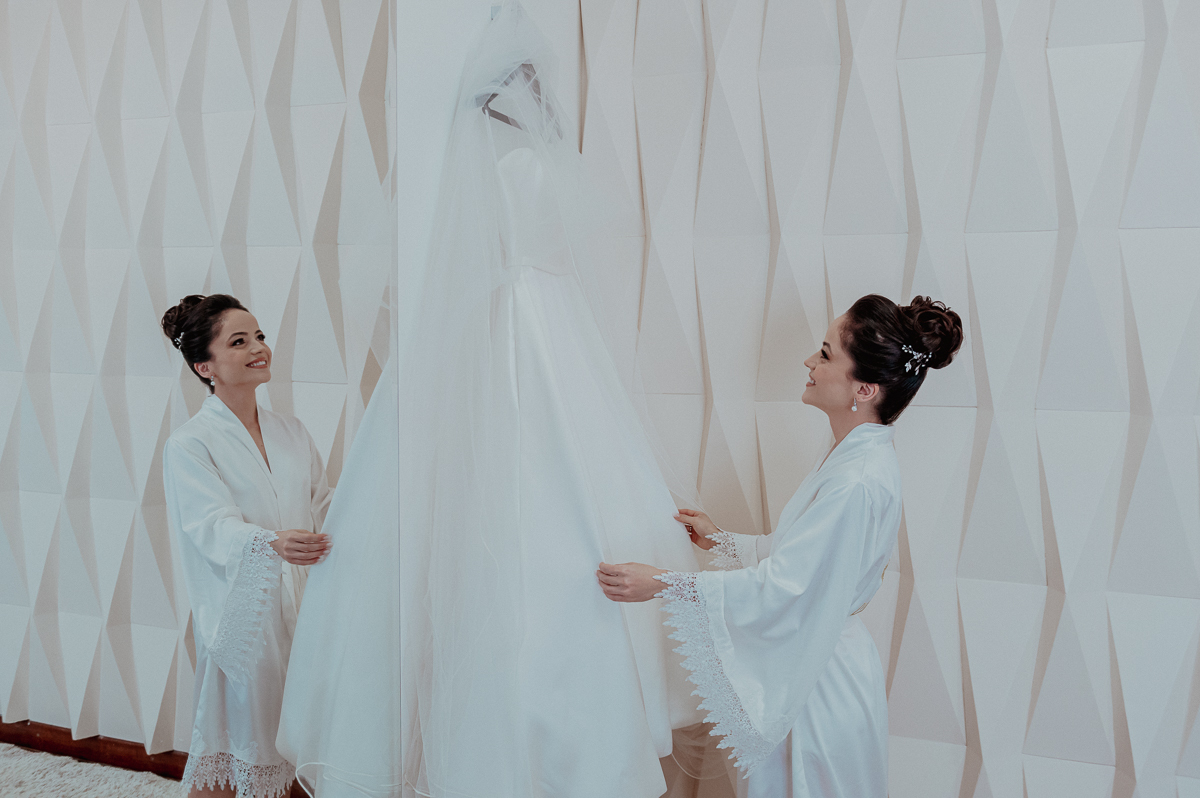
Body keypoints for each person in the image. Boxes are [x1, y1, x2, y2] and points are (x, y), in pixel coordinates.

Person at [598, 294, 964, 797]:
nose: (809, 362)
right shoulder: (851, 456)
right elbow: (801, 559)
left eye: (826, 353)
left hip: (818, 684)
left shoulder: (856, 480)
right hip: (815, 658)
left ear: (864, 387)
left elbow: (787, 587)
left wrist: (662, 584)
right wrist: (721, 540)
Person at [161, 294, 333, 798]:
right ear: (204, 365)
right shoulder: (190, 443)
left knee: (299, 744)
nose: (259, 348)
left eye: (259, 336)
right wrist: (269, 543)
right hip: (245, 614)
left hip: (307, 608)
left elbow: (324, 504)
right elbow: (208, 525)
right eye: (239, 341)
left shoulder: (291, 432)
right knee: (238, 748)